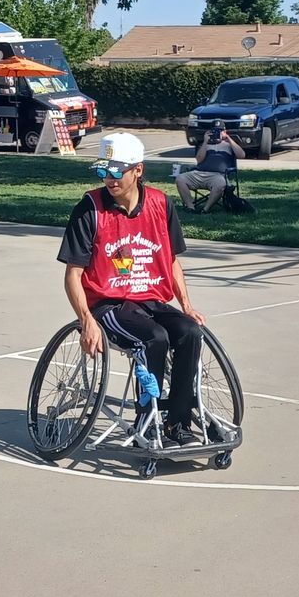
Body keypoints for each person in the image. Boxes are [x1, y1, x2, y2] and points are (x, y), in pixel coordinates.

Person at [57, 132, 209, 448]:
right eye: (103, 171)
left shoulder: (161, 204)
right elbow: (73, 274)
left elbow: (171, 261)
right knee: (154, 338)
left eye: (116, 171)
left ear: (137, 170)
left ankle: (177, 423)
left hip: (150, 298)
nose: (109, 179)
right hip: (108, 304)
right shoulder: (90, 209)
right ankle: (146, 421)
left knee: (190, 332)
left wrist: (186, 305)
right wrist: (86, 319)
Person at [176, 127, 243, 213]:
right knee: (180, 179)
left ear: (225, 132)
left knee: (220, 183)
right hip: (199, 173)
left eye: (220, 131)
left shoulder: (229, 145)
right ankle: (190, 207)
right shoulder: (205, 145)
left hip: (217, 175)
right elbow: (199, 160)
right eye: (214, 131)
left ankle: (205, 209)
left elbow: (241, 155)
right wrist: (205, 142)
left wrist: (229, 139)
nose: (217, 133)